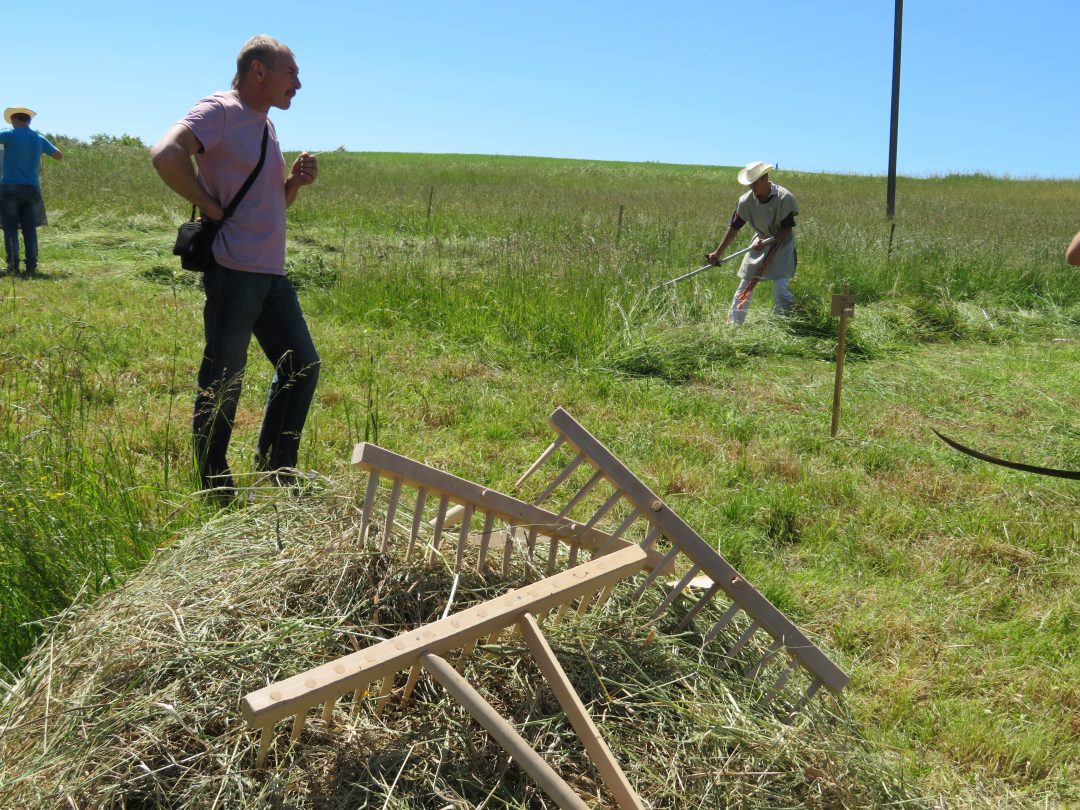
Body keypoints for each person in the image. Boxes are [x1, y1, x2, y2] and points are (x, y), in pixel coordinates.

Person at [151, 35, 320, 500]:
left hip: (269, 270)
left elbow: (268, 204)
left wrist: (293, 184)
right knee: (224, 377)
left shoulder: (265, 124)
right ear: (259, 70)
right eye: (291, 73)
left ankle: (276, 466)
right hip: (233, 267)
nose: (298, 84)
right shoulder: (220, 110)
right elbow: (166, 154)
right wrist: (208, 205)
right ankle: (213, 483)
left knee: (301, 365)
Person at [707, 161, 799, 324]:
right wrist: (717, 253)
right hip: (760, 241)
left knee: (781, 284)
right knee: (746, 282)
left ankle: (783, 323)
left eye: (755, 183)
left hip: (782, 244)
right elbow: (734, 228)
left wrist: (770, 242)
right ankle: (734, 324)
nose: (752, 187)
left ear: (765, 178)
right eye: (750, 184)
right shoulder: (745, 201)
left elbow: (786, 229)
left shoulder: (783, 197)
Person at [0, 106, 62, 275]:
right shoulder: (39, 138)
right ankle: (31, 267)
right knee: (29, 229)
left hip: (10, 188)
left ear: (13, 119)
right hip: (32, 189)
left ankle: (13, 267)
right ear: (28, 120)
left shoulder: (9, 134)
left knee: (10, 229)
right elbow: (58, 155)